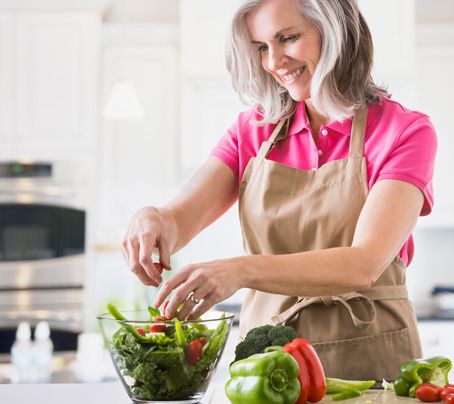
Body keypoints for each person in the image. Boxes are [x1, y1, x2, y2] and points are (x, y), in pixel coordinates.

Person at [121, 0, 437, 381]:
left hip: (371, 357)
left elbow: (363, 264)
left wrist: (239, 271)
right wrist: (152, 218)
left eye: (287, 38)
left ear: (336, 31)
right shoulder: (252, 130)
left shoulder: (404, 132)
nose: (273, 62)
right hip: (266, 363)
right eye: (260, 48)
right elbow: (178, 220)